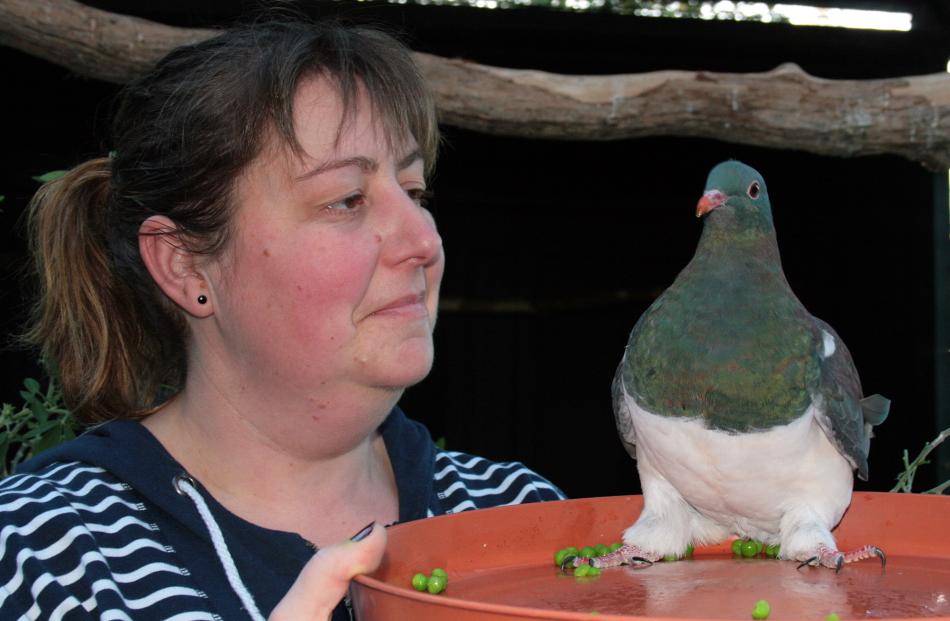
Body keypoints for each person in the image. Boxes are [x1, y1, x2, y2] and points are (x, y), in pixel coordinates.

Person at [0, 19, 564, 620]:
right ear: (186, 265)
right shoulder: (45, 554)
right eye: (346, 200)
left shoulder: (520, 515)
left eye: (415, 191)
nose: (422, 238)